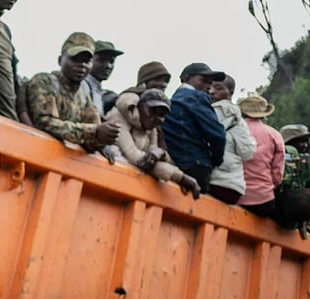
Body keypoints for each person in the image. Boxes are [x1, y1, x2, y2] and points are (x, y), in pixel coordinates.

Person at [26, 32, 120, 158]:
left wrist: (105, 137)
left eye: (87, 61)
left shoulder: (83, 95)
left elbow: (93, 135)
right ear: (60, 60)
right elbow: (44, 123)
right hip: (35, 155)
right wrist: (94, 132)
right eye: (75, 59)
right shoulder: (45, 81)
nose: (81, 65)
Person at [106, 89, 200, 198]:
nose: (156, 118)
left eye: (162, 115)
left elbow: (152, 159)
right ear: (140, 106)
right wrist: (180, 177)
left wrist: (161, 153)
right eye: (152, 111)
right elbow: (138, 159)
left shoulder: (151, 128)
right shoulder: (118, 117)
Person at [160, 63, 227, 194]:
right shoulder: (197, 97)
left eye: (210, 83)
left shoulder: (171, 102)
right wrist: (216, 160)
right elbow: (218, 135)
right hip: (197, 165)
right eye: (203, 80)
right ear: (187, 78)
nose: (208, 87)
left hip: (175, 164)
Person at [238, 96, 286, 224]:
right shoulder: (274, 135)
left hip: (234, 196)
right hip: (263, 201)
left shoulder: (232, 131)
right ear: (264, 114)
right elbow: (277, 175)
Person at [208, 75, 256, 204]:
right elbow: (247, 153)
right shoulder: (238, 120)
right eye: (210, 86)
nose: (212, 91)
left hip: (211, 182)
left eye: (218, 88)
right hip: (234, 187)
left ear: (231, 92)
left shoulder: (207, 112)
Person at [85, 40, 124, 117]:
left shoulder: (98, 91)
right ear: (89, 60)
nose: (108, 66)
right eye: (102, 60)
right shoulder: (82, 86)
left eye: (111, 61)